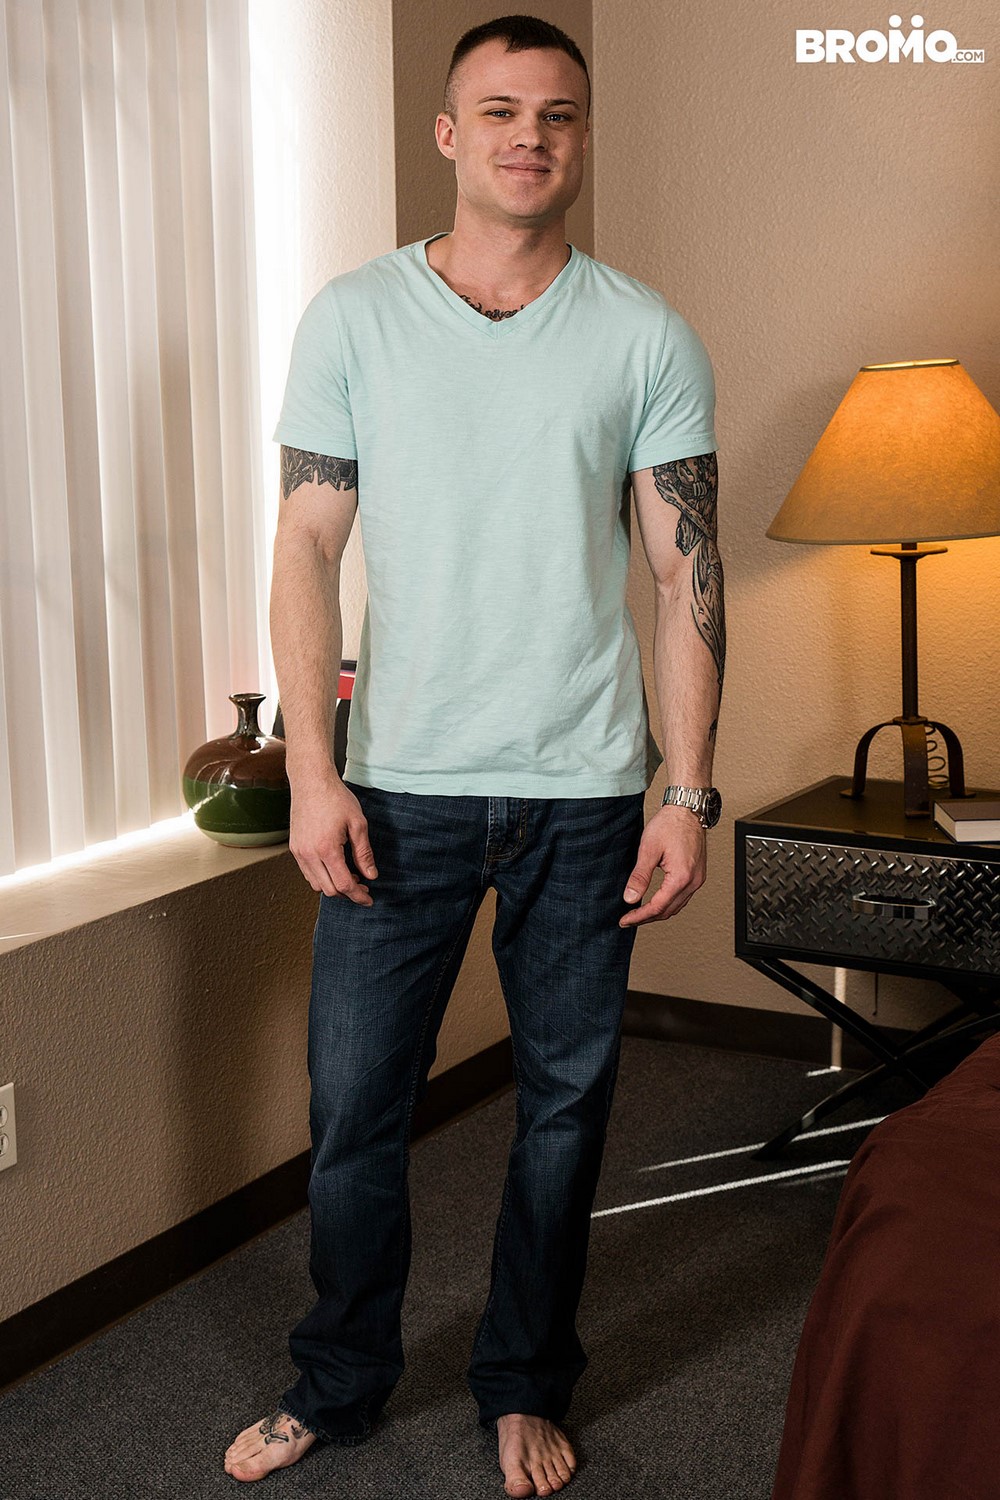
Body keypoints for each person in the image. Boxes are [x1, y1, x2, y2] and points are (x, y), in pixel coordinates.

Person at [224, 14, 724, 1496]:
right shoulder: (352, 318)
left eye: (557, 113)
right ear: (448, 134)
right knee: (352, 1114)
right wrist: (315, 771)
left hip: (587, 794)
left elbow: (686, 572)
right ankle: (339, 1382)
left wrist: (686, 792)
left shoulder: (647, 334)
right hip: (397, 791)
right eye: (499, 110)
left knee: (563, 1114)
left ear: (583, 137)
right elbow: (307, 547)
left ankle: (523, 1382)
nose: (529, 136)